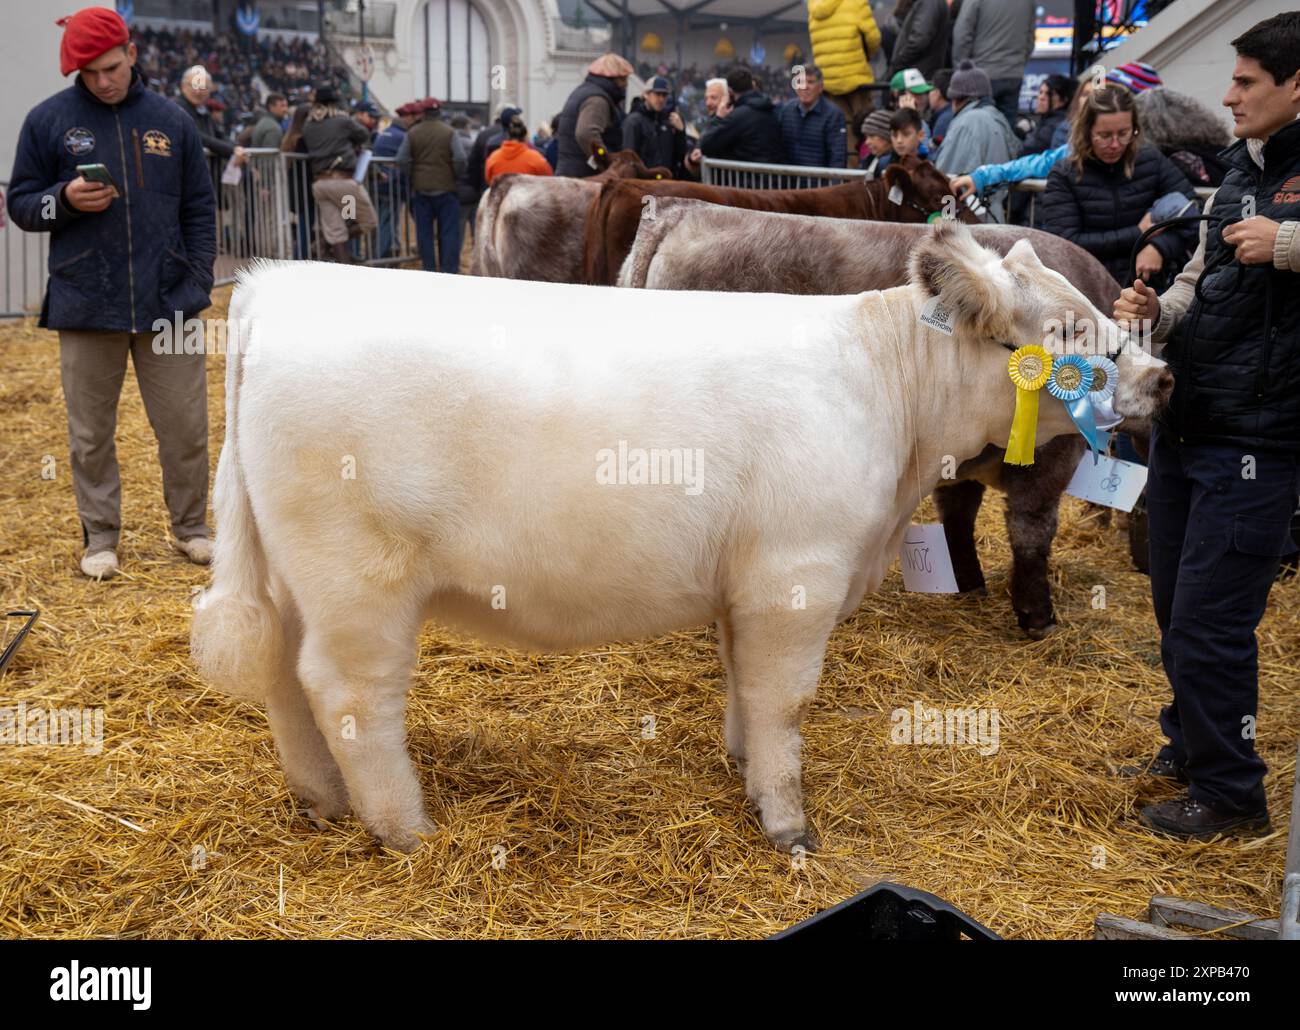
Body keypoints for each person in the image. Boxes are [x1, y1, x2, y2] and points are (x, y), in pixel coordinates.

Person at [1111, 10, 1300, 840]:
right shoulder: (1238, 170)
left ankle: (1231, 796)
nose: (1228, 97)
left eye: (1247, 82)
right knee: (1171, 601)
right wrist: (1157, 314)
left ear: (1298, 85)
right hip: (1191, 420)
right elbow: (1198, 277)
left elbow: (1275, 252)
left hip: (1260, 437)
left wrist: (1291, 243)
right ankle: (1191, 746)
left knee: (1209, 621)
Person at [7, 6, 216, 579]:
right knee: (90, 432)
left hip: (170, 302)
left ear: (131, 52)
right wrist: (65, 201)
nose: (103, 80)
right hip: (85, 300)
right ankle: (101, 538)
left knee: (185, 425)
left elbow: (199, 207)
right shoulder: (47, 121)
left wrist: (196, 278)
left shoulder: (172, 122)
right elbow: (21, 203)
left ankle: (191, 528)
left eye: (110, 66)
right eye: (90, 71)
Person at [1041, 84, 1197, 287]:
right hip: (1088, 288)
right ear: (1086, 131)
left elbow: (1193, 212)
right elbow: (1066, 243)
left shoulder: (1150, 160)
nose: (1115, 144)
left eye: (1124, 133)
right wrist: (1138, 233)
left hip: (1148, 288)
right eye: (1104, 136)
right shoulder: (1065, 174)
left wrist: (1160, 247)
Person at [932, 60, 1020, 220]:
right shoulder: (996, 116)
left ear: (955, 98)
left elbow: (947, 180)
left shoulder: (968, 122)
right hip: (994, 215)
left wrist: (945, 226)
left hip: (971, 220)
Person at [301, 83, 377, 263]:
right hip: (343, 185)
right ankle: (323, 244)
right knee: (368, 221)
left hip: (321, 185)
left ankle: (340, 262)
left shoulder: (308, 125)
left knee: (336, 231)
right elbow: (363, 135)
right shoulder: (342, 121)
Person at [807, 0, 882, 166]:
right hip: (856, 78)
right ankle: (867, 171)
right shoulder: (856, 2)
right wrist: (866, 56)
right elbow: (873, 38)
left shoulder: (813, 6)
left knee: (844, 133)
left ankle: (848, 174)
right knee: (868, 128)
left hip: (828, 80)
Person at [397, 95, 465, 273]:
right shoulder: (450, 132)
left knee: (424, 234)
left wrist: (413, 175)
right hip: (446, 189)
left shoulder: (413, 133)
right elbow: (460, 158)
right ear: (439, 111)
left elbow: (402, 159)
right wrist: (454, 176)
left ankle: (429, 268)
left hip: (421, 191)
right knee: (449, 232)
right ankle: (449, 269)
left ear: (423, 112)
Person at [951, 0, 1036, 129]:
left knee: (978, 132)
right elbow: (1030, 39)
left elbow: (962, 35)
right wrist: (1018, 63)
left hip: (981, 78)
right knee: (1007, 135)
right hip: (1013, 74)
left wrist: (962, 71)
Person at [555, 53, 634, 177]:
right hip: (585, 177)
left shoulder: (586, 91)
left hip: (574, 174)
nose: (626, 84)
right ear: (610, 78)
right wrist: (606, 164)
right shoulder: (597, 99)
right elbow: (586, 134)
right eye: (622, 79)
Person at [699, 67, 785, 164]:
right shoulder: (771, 109)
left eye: (713, 97)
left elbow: (706, 145)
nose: (708, 103)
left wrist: (718, 118)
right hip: (771, 176)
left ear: (729, 92)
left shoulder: (738, 116)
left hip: (747, 177)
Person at [372, 101, 419, 259]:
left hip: (380, 183)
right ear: (407, 118)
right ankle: (381, 257)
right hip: (392, 185)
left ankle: (392, 249)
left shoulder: (386, 132)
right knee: (387, 223)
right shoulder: (403, 136)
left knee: (385, 221)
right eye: (413, 117)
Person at [777, 65, 847, 169]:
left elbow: (837, 156)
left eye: (810, 82)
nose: (805, 86)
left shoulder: (833, 114)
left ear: (820, 87)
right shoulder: (786, 110)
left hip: (821, 183)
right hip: (789, 182)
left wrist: (833, 184)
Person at [622, 76, 688, 177]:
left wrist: (680, 132)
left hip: (664, 183)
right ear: (646, 94)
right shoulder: (634, 121)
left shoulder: (668, 121)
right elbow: (628, 158)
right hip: (642, 184)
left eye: (664, 95)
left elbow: (680, 155)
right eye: (657, 94)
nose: (661, 99)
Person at [886, 0, 950, 81]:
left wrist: (897, 63)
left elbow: (919, 41)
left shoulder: (929, 3)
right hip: (918, 74)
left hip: (916, 77)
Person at [485, 115, 554, 184]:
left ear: (508, 136)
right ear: (525, 137)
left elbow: (489, 180)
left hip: (501, 194)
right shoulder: (536, 160)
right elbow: (548, 179)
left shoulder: (493, 159)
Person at [858, 108, 894, 177]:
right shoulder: (868, 161)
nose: (867, 142)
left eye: (871, 136)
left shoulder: (895, 163)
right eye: (866, 137)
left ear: (886, 137)